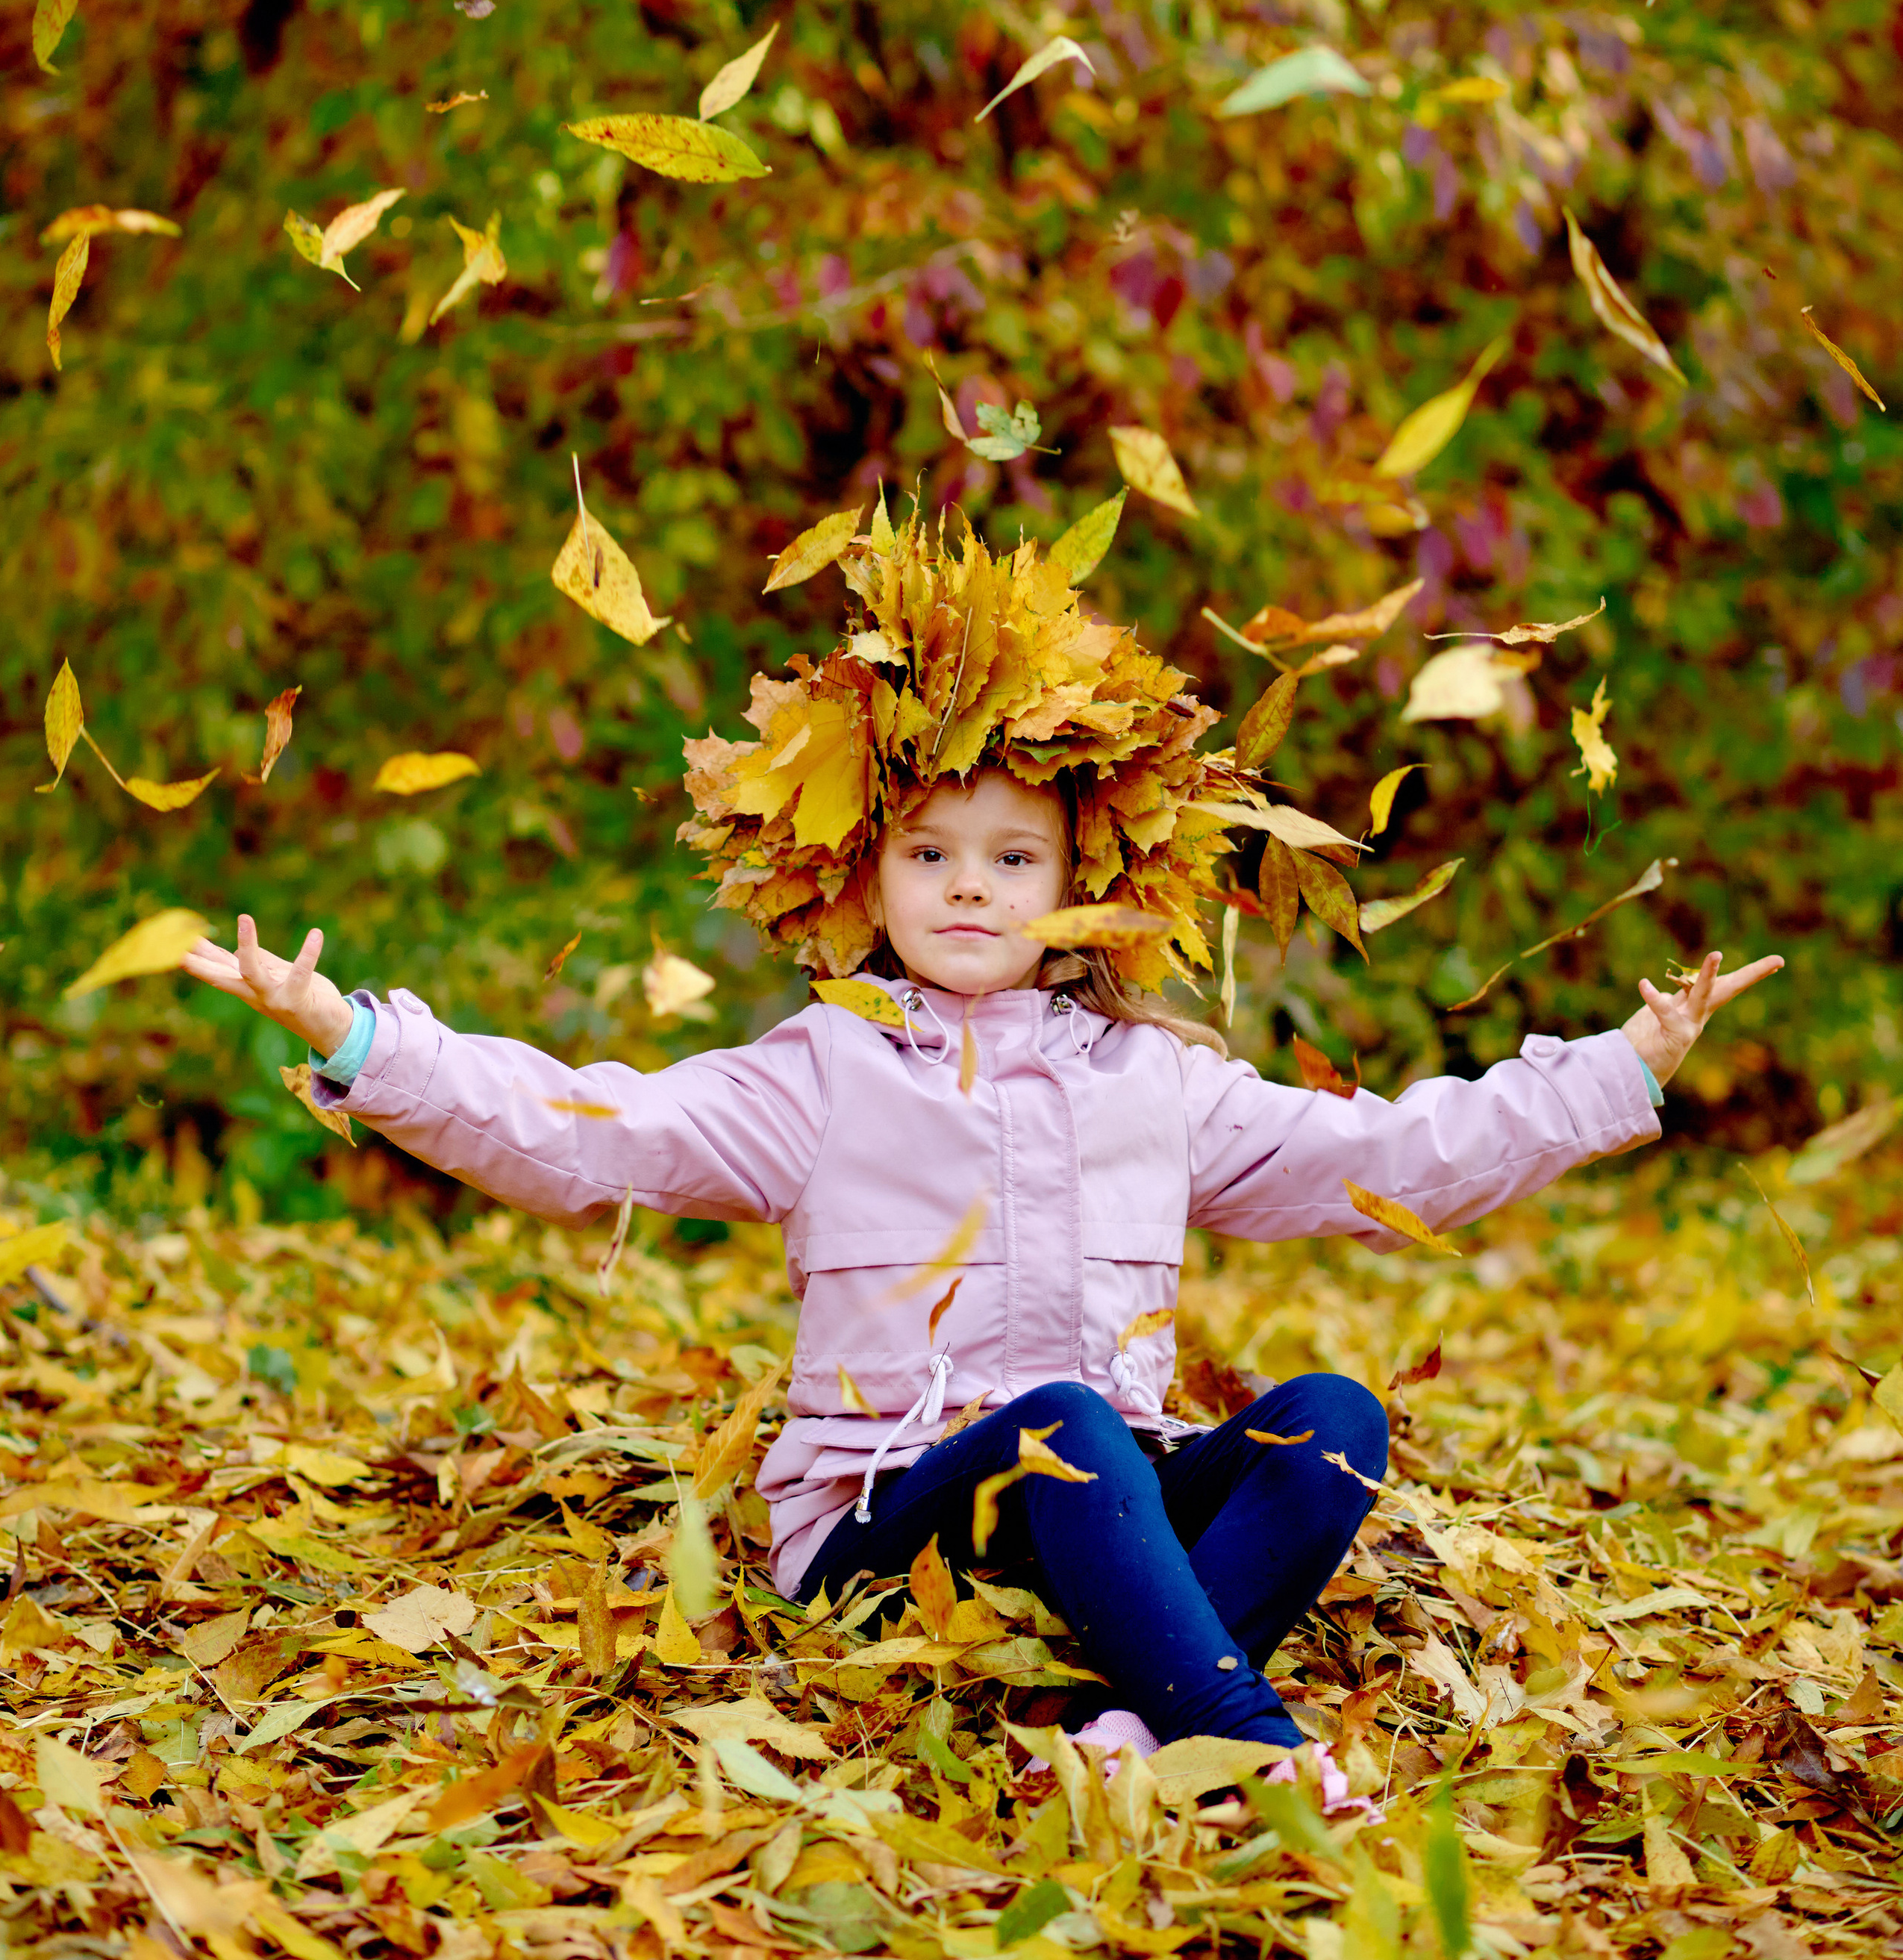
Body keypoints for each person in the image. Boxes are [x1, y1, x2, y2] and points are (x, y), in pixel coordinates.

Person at [184, 504, 1781, 1794]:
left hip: (1100, 1515)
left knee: (1333, 1421)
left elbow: (1389, 1162)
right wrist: (364, 1043)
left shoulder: (1152, 1080)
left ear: (1081, 882)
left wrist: (1616, 1069)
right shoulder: (827, 1070)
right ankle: (1251, 1749)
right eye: (929, 852)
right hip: (891, 1530)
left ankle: (1129, 1735)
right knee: (1062, 1426)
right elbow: (594, 1133)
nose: (968, 887)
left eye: (1015, 859)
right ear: (865, 875)